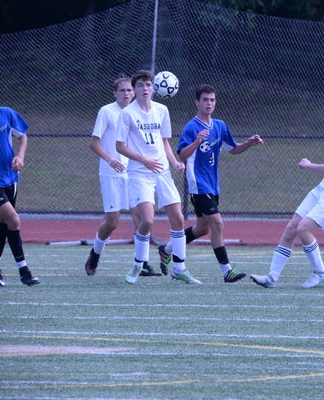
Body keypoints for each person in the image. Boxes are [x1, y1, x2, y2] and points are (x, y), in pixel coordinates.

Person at [250, 97, 324, 288]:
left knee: (303, 228)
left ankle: (320, 271)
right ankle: (271, 277)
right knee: (292, 227)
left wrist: (308, 165)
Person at [156, 84, 263, 282]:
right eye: (205, 100)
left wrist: (249, 143)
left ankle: (167, 249)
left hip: (213, 185)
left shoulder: (220, 126)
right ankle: (227, 271)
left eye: (212, 100)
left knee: (202, 228)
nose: (209, 103)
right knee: (217, 224)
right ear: (197, 102)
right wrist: (196, 141)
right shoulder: (191, 127)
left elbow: (233, 149)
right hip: (198, 185)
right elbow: (182, 155)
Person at [116, 69, 199, 284]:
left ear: (153, 88)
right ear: (134, 89)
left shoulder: (162, 110)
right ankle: (138, 264)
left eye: (148, 85)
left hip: (162, 171)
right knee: (147, 220)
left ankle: (179, 269)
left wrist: (175, 162)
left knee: (178, 218)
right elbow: (120, 146)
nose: (145, 88)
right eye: (140, 85)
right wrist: (144, 160)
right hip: (139, 173)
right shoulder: (128, 113)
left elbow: (164, 142)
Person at [85, 76, 160, 277]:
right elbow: (94, 143)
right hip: (111, 173)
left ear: (134, 92)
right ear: (115, 93)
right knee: (112, 222)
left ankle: (142, 263)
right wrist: (110, 159)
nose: (126, 94)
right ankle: (95, 254)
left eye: (129, 90)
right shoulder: (107, 111)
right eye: (122, 90)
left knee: (140, 217)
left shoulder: (139, 112)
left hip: (134, 172)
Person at [0, 106, 39, 287]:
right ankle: (24, 271)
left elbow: (22, 136)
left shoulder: (6, 113)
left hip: (9, 177)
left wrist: (20, 157)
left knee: (2, 223)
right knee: (13, 221)